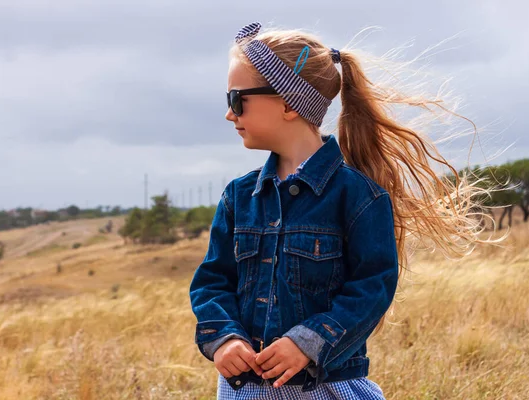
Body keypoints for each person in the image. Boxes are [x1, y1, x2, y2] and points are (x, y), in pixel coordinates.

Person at [189, 21, 499, 399]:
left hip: (327, 387)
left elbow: (373, 287)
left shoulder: (360, 197)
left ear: (288, 102)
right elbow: (212, 281)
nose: (229, 114)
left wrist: (309, 341)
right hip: (245, 391)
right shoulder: (238, 197)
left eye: (237, 100)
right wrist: (223, 338)